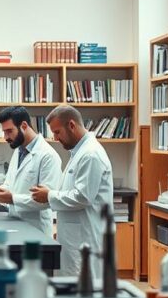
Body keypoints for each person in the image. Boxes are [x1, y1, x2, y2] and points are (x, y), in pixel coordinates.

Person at [30, 104, 113, 279]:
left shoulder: (90, 154)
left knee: (81, 288)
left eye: (57, 132)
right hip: (74, 236)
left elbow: (82, 197)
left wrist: (49, 195)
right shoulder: (79, 152)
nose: (55, 138)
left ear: (72, 125)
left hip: (85, 237)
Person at [0, 106, 62, 235]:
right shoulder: (19, 150)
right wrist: (2, 191)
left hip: (36, 229)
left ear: (23, 125)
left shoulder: (48, 156)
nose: (6, 137)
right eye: (4, 132)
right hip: (14, 224)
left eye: (9, 131)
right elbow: (12, 182)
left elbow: (47, 200)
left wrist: (12, 198)